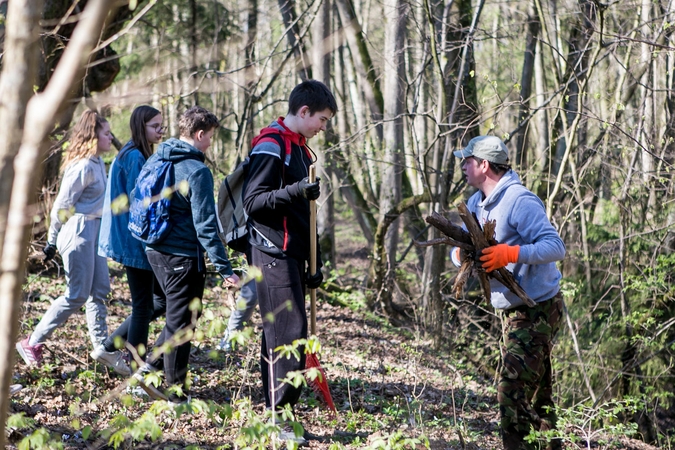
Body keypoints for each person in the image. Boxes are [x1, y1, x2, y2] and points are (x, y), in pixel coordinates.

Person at [452, 136, 566, 450]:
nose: (463, 165)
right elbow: (463, 248)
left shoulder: (519, 200)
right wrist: (461, 256)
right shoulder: (476, 203)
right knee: (536, 394)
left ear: (484, 165)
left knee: (511, 390)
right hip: (511, 309)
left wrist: (510, 254)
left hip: (538, 307)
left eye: (467, 160)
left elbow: (556, 247)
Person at [243, 80, 337, 445]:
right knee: (288, 333)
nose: (323, 127)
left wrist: (313, 263)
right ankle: (278, 420)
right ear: (303, 112)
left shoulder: (300, 149)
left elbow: (301, 214)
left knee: (287, 333)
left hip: (291, 254)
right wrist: (295, 190)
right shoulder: (272, 144)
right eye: (322, 119)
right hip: (269, 251)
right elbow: (255, 202)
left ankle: (279, 415)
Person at [142, 106, 239, 404]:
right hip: (181, 257)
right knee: (182, 325)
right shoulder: (196, 171)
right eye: (209, 136)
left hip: (153, 250)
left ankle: (148, 371)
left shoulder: (158, 156)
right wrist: (226, 269)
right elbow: (206, 226)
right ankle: (176, 395)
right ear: (198, 134)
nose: (210, 142)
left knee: (176, 319)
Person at [16, 110, 114, 368]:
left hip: (94, 232)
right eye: (106, 133)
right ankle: (32, 342)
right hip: (78, 231)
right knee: (77, 294)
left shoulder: (97, 164)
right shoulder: (81, 166)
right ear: (93, 136)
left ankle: (101, 349)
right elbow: (62, 205)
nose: (110, 137)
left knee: (100, 290)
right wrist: (52, 240)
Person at [96, 105, 168, 375]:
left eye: (162, 125)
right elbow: (142, 204)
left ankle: (110, 346)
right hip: (135, 240)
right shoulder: (135, 157)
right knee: (144, 305)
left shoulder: (130, 152)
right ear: (141, 126)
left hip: (132, 238)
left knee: (156, 302)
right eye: (155, 126)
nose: (160, 130)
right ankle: (137, 368)